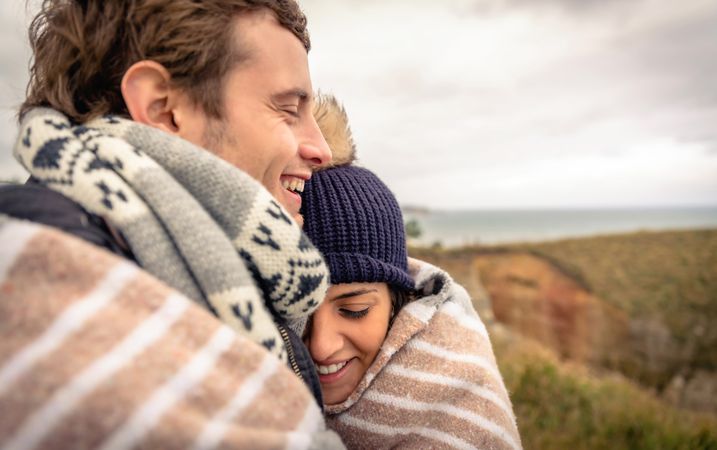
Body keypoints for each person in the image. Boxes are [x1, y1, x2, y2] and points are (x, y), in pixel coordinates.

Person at [0, 1, 345, 448]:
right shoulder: (42, 277)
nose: (322, 150)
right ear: (163, 109)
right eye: (288, 108)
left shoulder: (225, 269)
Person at [300, 103, 522, 448]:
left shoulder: (458, 407)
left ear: (398, 300)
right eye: (295, 312)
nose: (321, 346)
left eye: (354, 309)